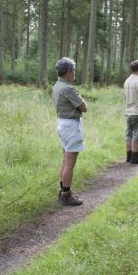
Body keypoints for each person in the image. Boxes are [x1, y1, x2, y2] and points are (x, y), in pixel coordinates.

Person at [53, 57, 87, 206]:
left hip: (62, 123)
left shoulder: (57, 85)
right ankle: (66, 195)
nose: (74, 73)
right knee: (70, 163)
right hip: (70, 126)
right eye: (73, 71)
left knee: (65, 160)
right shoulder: (68, 88)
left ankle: (62, 191)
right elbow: (83, 107)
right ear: (68, 71)